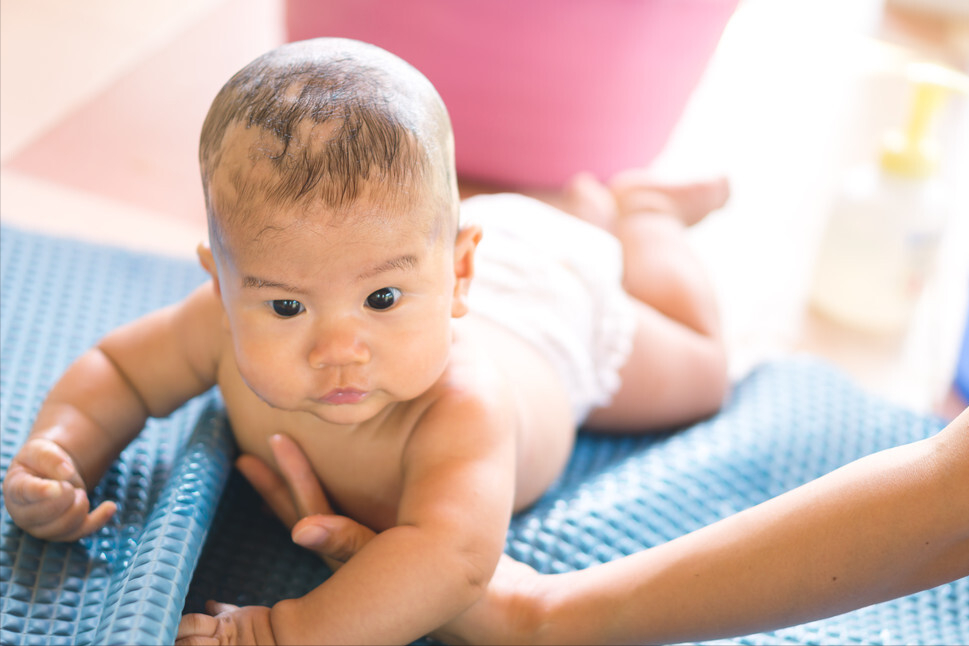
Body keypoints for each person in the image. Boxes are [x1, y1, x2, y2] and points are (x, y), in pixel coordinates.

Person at [2, 37, 729, 645]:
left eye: (380, 301)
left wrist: (279, 632)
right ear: (223, 289)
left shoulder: (461, 408)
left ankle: (645, 214)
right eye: (287, 306)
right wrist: (64, 452)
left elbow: (451, 560)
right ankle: (579, 210)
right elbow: (120, 371)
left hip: (551, 318)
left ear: (457, 273)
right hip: (429, 244)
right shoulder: (219, 322)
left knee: (702, 374)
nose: (339, 348)